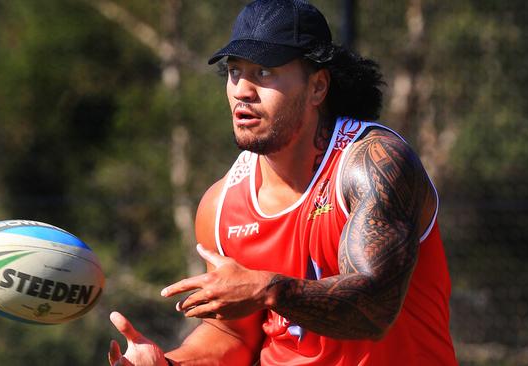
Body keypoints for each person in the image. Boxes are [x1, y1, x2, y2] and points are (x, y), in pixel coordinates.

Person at [108, 0, 457, 365]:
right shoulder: (221, 204)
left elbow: (375, 308)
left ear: (318, 87)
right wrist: (167, 364)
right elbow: (231, 336)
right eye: (234, 71)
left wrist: (268, 290)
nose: (242, 90)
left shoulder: (373, 165)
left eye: (263, 73)